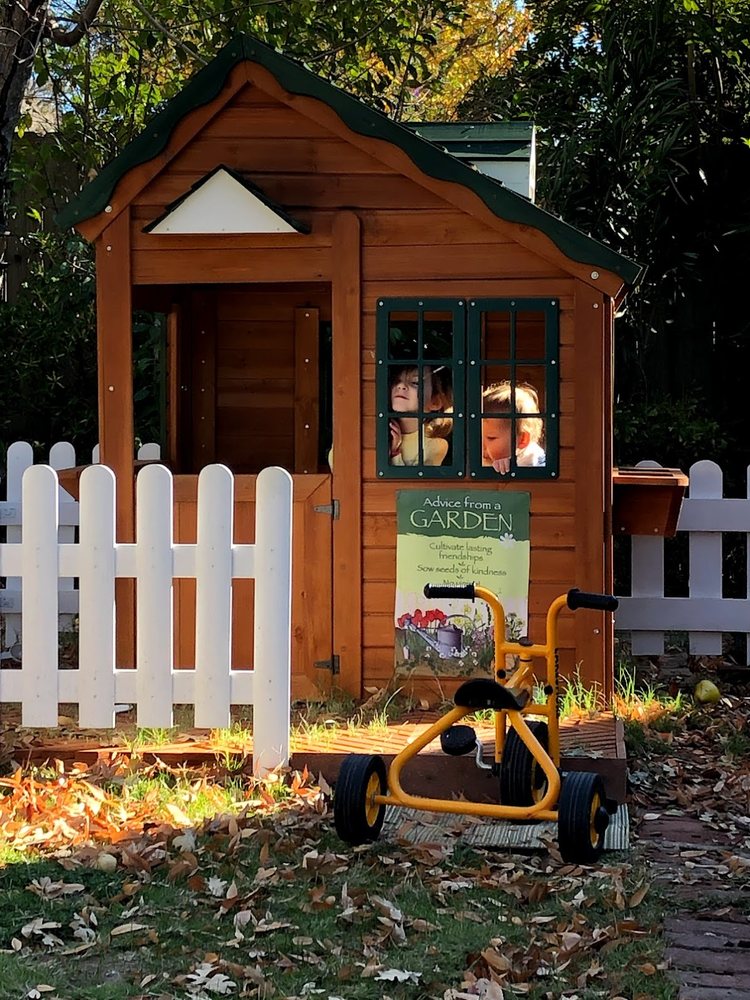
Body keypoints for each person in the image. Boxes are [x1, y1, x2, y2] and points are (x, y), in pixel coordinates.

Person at [389, 364, 453, 466]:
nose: (401, 386)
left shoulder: (435, 445)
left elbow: (413, 481)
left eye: (415, 383)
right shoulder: (384, 430)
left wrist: (395, 453)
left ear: (434, 402)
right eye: (396, 381)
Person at [481, 381, 545, 474]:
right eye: (478, 437)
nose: (481, 445)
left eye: (491, 438)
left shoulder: (534, 463)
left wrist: (510, 467)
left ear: (522, 439)